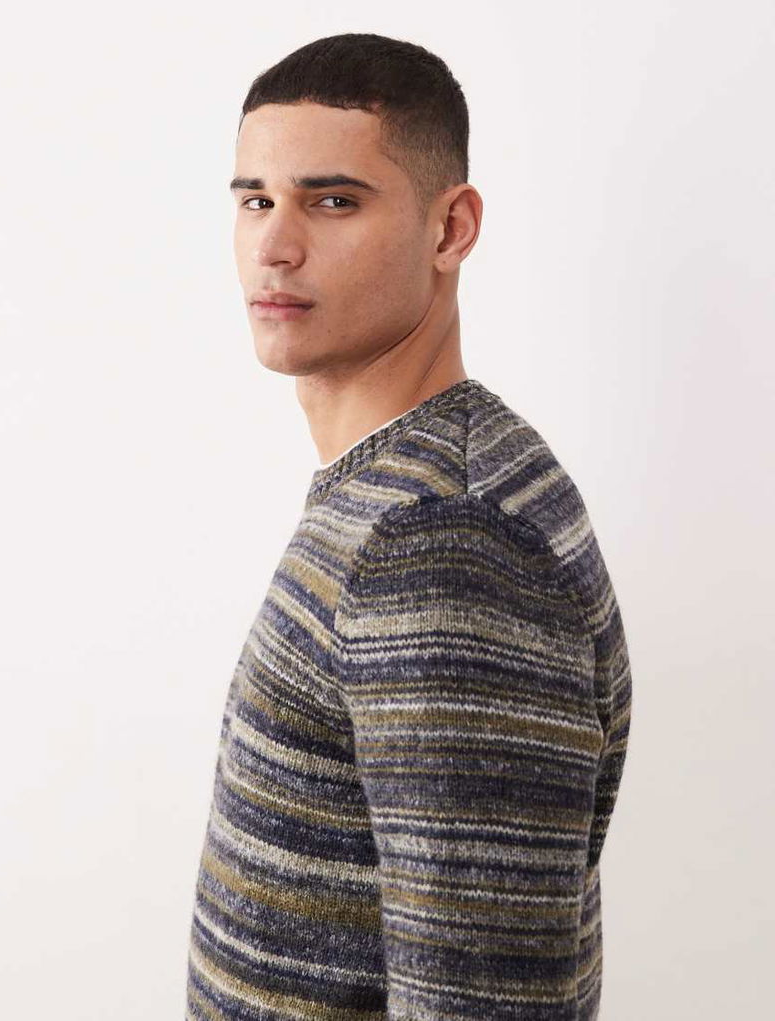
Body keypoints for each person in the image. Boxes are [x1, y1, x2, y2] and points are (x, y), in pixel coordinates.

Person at [185, 32, 632, 1021]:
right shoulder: (397, 486)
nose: (274, 246)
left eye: (333, 201)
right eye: (255, 200)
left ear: (449, 228)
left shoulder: (444, 542)